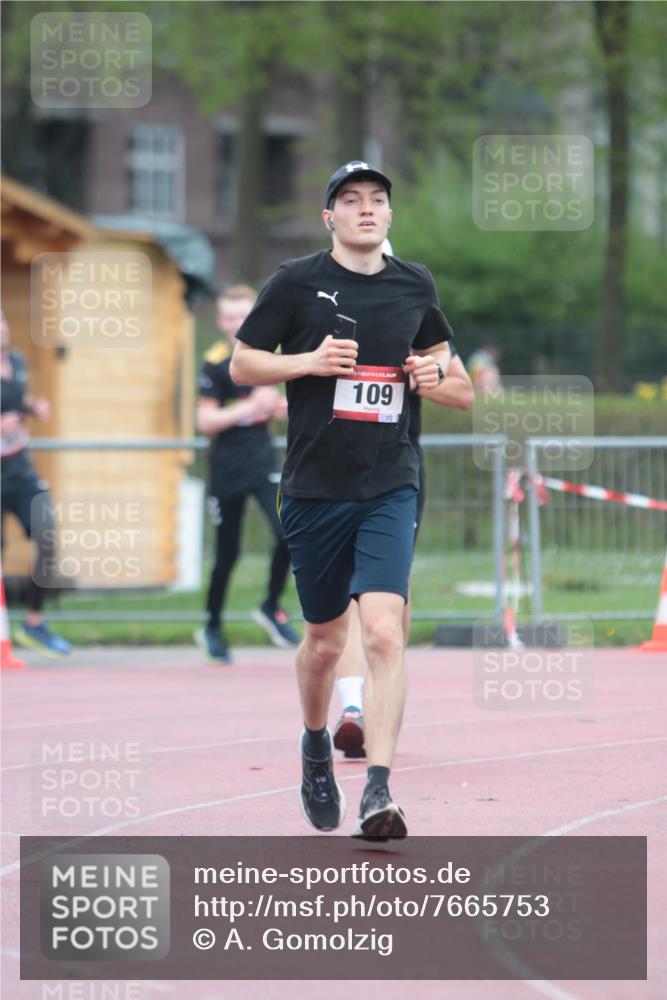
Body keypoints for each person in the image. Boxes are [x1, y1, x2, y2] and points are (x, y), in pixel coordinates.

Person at [230, 160, 453, 839]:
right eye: (349, 200)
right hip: (313, 487)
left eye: (376, 200)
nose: (365, 209)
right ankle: (312, 741)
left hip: (389, 480)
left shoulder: (415, 284)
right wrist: (307, 363)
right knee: (325, 643)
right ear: (328, 216)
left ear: (389, 215)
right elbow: (242, 364)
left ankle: (378, 792)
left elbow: (453, 375)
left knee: (384, 631)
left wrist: (432, 372)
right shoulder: (295, 282)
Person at [333, 340, 474, 758]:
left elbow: (464, 394)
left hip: (397, 477)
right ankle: (353, 708)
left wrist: (424, 379)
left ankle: (374, 701)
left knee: (389, 595)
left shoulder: (416, 315)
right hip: (332, 474)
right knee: (346, 595)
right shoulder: (326, 312)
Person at [195, 285, 299, 664]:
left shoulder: (265, 355)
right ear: (221, 322)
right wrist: (249, 407)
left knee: (289, 530)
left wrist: (279, 408)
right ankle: (212, 626)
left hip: (262, 459)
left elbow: (267, 405)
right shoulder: (215, 361)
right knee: (227, 553)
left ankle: (271, 606)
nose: (237, 323)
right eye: (230, 316)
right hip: (226, 466)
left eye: (244, 314)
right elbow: (205, 421)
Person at [0, 309, 71, 658]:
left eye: (2, 321)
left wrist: (33, 407)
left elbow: (16, 403)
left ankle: (34, 622)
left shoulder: (17, 361)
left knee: (48, 535)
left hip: (21, 471)